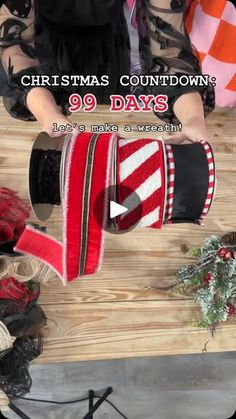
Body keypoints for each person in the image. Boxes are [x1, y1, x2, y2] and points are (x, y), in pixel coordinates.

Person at [0, 1, 234, 142]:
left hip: (108, 53)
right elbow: (15, 42)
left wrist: (193, 120)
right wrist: (48, 114)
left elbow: (169, 52)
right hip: (38, 57)